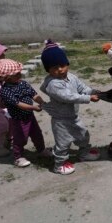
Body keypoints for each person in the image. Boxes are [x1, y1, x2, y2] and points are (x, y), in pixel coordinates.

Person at [39, 40, 100, 175]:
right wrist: (88, 98)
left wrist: (91, 92)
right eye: (54, 68)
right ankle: (59, 164)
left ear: (67, 64)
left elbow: (81, 87)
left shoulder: (71, 77)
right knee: (63, 143)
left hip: (73, 116)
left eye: (62, 65)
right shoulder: (53, 84)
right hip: (60, 120)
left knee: (83, 135)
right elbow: (68, 97)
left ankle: (83, 154)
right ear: (48, 70)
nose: (60, 69)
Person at [0, 59, 50, 169]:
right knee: (20, 138)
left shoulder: (23, 83)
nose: (19, 74)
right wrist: (33, 107)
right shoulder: (5, 91)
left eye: (19, 72)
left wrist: (42, 102)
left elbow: (33, 94)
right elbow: (18, 104)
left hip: (29, 116)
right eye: (16, 74)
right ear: (6, 77)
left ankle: (41, 149)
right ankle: (18, 157)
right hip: (18, 118)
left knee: (37, 133)